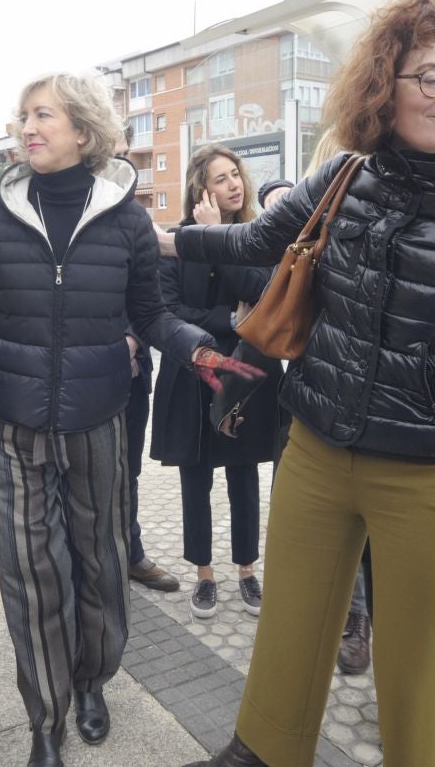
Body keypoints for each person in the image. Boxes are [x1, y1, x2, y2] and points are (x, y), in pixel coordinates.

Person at [168, 0, 435, 767]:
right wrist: (157, 239)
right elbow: (253, 240)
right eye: (433, 76)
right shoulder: (340, 178)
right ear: (385, 85)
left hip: (431, 474)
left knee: (421, 677)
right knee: (287, 638)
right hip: (315, 448)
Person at [0, 72, 262, 767]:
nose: (27, 127)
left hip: (99, 422)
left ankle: (92, 680)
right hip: (15, 427)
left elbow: (149, 313)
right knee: (30, 575)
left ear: (82, 131)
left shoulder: (125, 219)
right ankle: (45, 718)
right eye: (23, 115)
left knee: (100, 564)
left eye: (43, 115)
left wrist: (195, 349)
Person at [152, 143, 279, 620]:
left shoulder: (255, 237)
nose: (233, 185)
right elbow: (169, 310)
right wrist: (229, 318)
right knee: (196, 477)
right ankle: (204, 574)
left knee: (244, 475)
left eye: (236, 175)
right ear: (199, 190)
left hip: (244, 374)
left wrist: (218, 237)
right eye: (221, 178)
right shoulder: (175, 241)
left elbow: (260, 292)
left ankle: (247, 570)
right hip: (192, 373)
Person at [114, 123, 179, 594]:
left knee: (128, 471)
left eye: (125, 155)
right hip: (81, 377)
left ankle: (130, 553)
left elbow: (151, 298)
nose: (121, 165)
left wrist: (134, 339)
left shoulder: (137, 219)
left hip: (133, 375)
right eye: (112, 155)